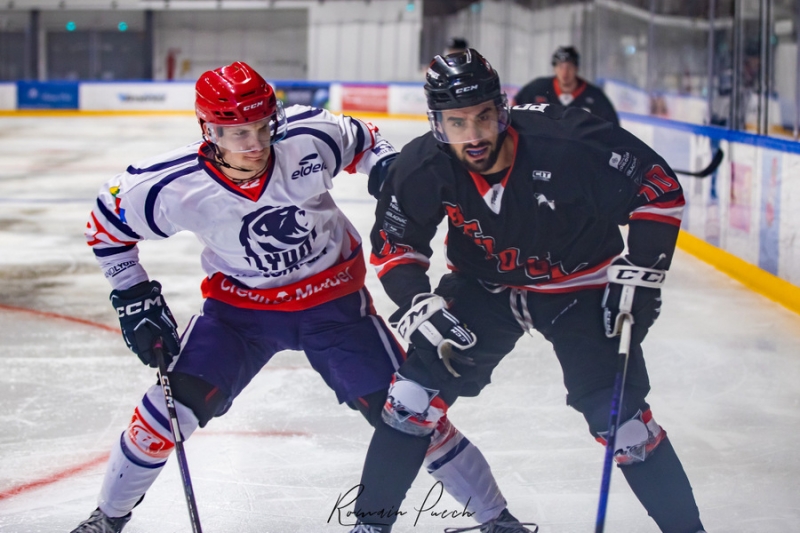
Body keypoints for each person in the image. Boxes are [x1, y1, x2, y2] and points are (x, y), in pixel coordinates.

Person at [72, 61, 533, 532]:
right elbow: (105, 227)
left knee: (413, 417)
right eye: (236, 133)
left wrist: (391, 178)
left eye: (260, 128)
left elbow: (369, 142)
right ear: (207, 129)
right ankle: (106, 520)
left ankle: (497, 520)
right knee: (163, 414)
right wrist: (134, 296)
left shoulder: (308, 133)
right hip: (240, 317)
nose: (253, 145)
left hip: (335, 309)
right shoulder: (167, 185)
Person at [349, 49, 706, 533]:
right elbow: (396, 247)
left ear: (503, 109)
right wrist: (418, 301)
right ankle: (370, 526)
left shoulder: (569, 141)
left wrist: (643, 273)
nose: (473, 135)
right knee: (410, 400)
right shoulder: (421, 166)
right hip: (483, 289)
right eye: (457, 123)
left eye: (484, 117)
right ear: (436, 123)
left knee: (624, 426)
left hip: (581, 289)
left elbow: (657, 186)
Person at [514, 45, 619, 125]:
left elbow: (613, 128)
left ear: (577, 68)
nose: (565, 72)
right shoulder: (537, 88)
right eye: (560, 67)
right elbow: (514, 111)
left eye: (569, 67)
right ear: (554, 68)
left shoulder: (595, 97)